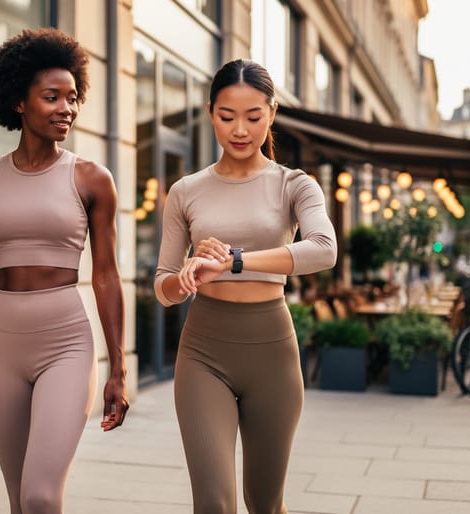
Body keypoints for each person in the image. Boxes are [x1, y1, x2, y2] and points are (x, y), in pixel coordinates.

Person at [0, 28, 129, 513]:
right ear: (19, 102)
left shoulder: (92, 179)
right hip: (0, 345)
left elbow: (106, 275)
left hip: (65, 342)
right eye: (52, 97)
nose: (67, 109)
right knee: (19, 500)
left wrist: (117, 365)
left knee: (40, 496)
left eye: (73, 97)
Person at [154, 59, 337, 514]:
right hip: (203, 351)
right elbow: (162, 286)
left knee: (265, 503)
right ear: (210, 112)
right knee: (214, 503)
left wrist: (234, 261)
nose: (240, 129)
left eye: (253, 117)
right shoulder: (185, 191)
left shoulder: (294, 185)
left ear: (272, 114)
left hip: (271, 351)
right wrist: (186, 276)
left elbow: (324, 249)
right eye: (226, 116)